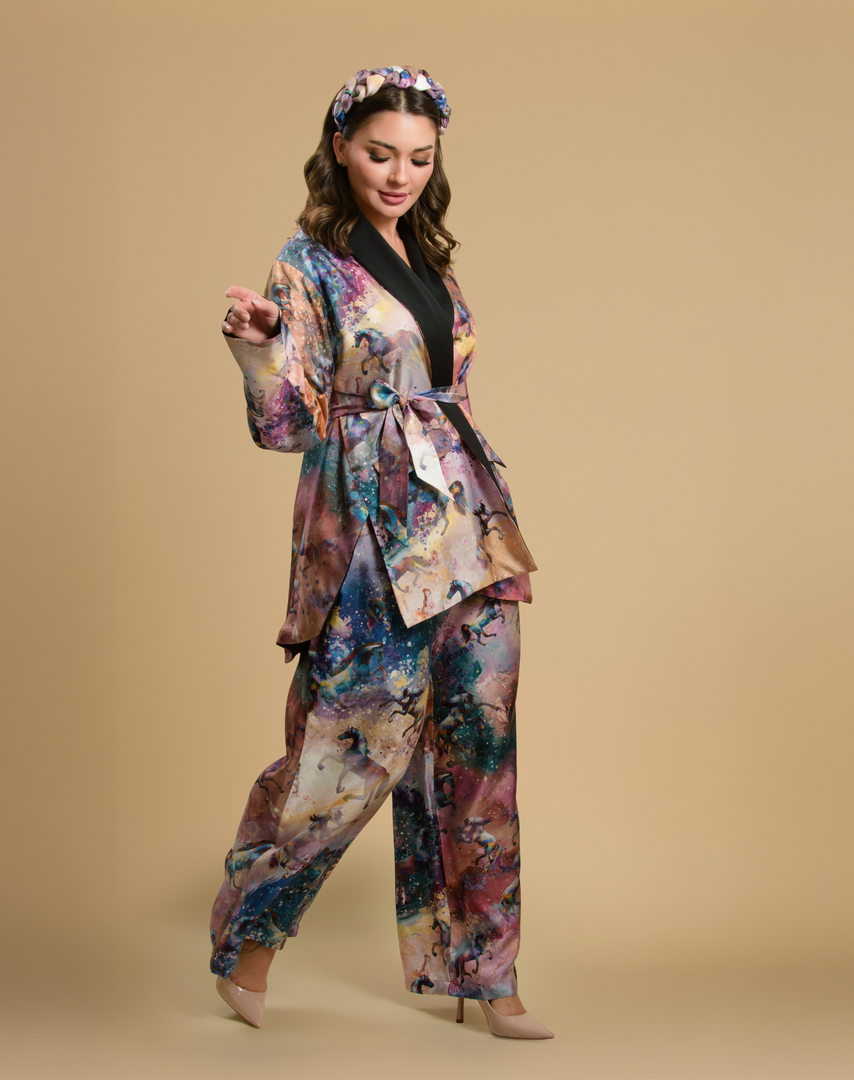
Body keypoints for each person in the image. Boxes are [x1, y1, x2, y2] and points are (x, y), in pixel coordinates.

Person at [209, 66, 551, 1040]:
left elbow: (450, 393)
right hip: (368, 530)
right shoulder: (308, 263)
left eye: (419, 158)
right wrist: (261, 348)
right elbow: (286, 425)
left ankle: (487, 974)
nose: (399, 175)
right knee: (350, 744)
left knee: (481, 745)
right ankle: (249, 942)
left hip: (469, 529)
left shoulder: (430, 259)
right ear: (341, 150)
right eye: (379, 154)